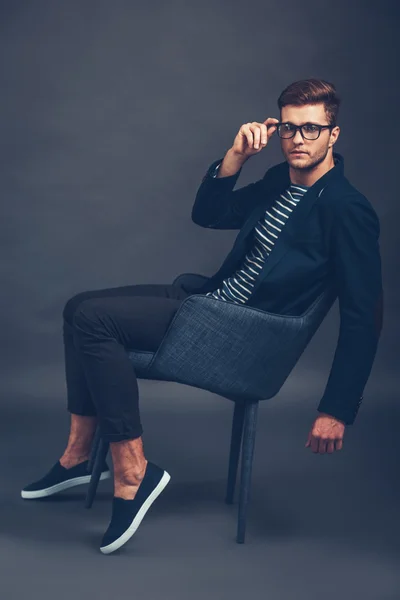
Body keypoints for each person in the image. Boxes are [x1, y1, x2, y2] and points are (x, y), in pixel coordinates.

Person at [20, 78, 383, 554]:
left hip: (239, 336)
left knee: (94, 321)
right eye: (289, 129)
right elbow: (208, 215)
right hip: (209, 302)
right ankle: (77, 457)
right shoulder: (279, 181)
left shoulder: (347, 209)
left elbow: (364, 315)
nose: (298, 140)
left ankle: (133, 471)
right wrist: (235, 157)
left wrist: (336, 409)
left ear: (334, 135)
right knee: (77, 309)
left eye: (312, 130)